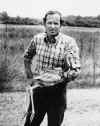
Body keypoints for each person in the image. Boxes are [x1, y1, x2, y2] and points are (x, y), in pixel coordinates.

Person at [23, 10, 81, 126]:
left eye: (56, 23)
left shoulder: (69, 43)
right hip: (39, 89)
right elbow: (27, 57)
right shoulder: (37, 39)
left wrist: (62, 76)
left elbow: (76, 70)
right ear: (44, 23)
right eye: (49, 23)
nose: (52, 26)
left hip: (58, 92)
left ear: (61, 25)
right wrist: (30, 77)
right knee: (30, 123)